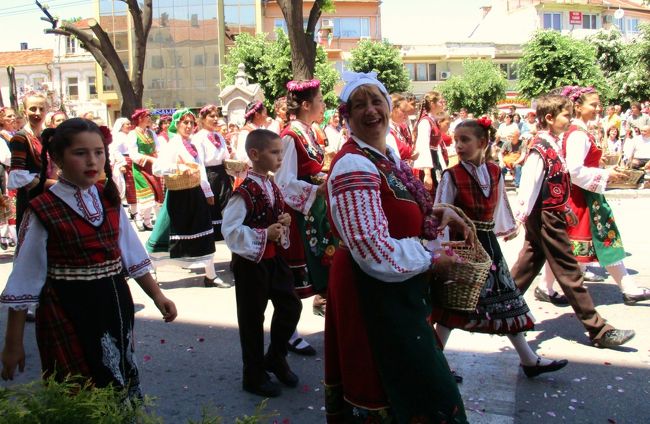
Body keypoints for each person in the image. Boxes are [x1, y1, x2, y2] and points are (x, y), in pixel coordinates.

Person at [325, 71, 468, 423]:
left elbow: (392, 207)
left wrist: (437, 210)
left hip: (394, 291)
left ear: (389, 107)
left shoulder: (383, 156)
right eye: (359, 105)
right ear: (347, 116)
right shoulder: (353, 165)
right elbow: (374, 250)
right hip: (372, 294)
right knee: (397, 388)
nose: (371, 110)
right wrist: (434, 256)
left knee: (419, 386)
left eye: (377, 102)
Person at [0, 118, 177, 395]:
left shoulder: (108, 199)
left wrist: (158, 296)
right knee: (78, 392)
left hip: (113, 306)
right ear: (57, 157)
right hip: (66, 310)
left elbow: (132, 255)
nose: (92, 161)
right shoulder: (42, 209)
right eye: (80, 153)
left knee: (118, 379)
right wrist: (13, 343)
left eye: (98, 152)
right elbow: (25, 279)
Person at [432, 118, 568, 379]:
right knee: (454, 307)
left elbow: (500, 202)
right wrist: (441, 249)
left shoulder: (495, 171)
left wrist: (507, 226)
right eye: (456, 140)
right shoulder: (452, 175)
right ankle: (435, 365)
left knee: (507, 302)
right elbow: (442, 211)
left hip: (490, 247)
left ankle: (529, 359)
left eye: (465, 140)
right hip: (464, 247)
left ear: (482, 143)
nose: (458, 145)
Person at [509, 94, 635, 349]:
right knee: (569, 271)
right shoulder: (541, 147)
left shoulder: (553, 143)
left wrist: (565, 209)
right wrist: (519, 219)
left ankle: (493, 308)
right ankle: (598, 330)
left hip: (551, 215)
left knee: (526, 267)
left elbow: (558, 181)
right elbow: (529, 185)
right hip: (544, 217)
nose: (569, 120)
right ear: (549, 118)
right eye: (565, 115)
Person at [222, 128, 302, 398]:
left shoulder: (271, 185)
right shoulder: (243, 190)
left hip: (273, 260)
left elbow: (272, 216)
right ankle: (253, 375)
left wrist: (282, 223)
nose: (280, 158)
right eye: (275, 152)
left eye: (281, 152)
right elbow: (230, 229)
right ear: (255, 154)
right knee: (252, 319)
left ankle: (275, 357)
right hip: (250, 264)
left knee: (291, 305)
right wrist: (264, 234)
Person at [555, 86, 650, 305]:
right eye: (594, 105)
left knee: (598, 242)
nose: (598, 109)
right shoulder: (577, 134)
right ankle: (564, 291)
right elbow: (575, 170)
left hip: (588, 195)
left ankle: (627, 288)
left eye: (599, 104)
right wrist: (606, 174)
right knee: (582, 244)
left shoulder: (579, 131)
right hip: (582, 198)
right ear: (577, 107)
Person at [147, 109, 227, 288]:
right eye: (185, 123)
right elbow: (157, 168)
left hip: (195, 192)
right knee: (164, 231)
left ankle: (210, 275)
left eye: (191, 123)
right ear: (177, 125)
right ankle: (152, 268)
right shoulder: (173, 145)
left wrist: (208, 192)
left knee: (204, 231)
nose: (189, 126)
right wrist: (177, 168)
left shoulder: (193, 143)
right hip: (178, 195)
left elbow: (200, 169)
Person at [8, 92, 56, 231]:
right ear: (24, 111)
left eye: (41, 109)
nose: (37, 113)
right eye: (32, 108)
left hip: (47, 198)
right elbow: (19, 175)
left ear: (47, 110)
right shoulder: (21, 138)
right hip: (31, 200)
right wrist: (54, 185)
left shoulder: (44, 137)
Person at [194, 104, 233, 238]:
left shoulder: (219, 136)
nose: (216, 119)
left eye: (217, 116)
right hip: (209, 173)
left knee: (226, 201)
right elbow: (200, 163)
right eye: (212, 116)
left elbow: (226, 157)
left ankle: (225, 230)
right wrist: (205, 186)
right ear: (203, 119)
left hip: (222, 173)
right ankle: (213, 233)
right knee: (212, 204)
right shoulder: (198, 138)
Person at [127, 109, 163, 231]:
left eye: (149, 116)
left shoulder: (151, 133)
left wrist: (160, 157)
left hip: (153, 167)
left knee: (155, 192)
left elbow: (158, 148)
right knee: (146, 193)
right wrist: (149, 159)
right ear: (139, 119)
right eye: (146, 116)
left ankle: (147, 221)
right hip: (141, 167)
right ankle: (139, 217)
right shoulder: (133, 134)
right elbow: (133, 153)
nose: (149, 118)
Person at [413, 91, 446, 193]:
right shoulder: (425, 122)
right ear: (432, 104)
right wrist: (427, 174)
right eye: (441, 102)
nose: (443, 104)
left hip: (435, 161)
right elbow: (423, 146)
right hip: (428, 165)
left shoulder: (433, 120)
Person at [110, 117, 138, 217]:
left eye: (130, 124)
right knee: (127, 187)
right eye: (127, 124)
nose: (129, 126)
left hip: (133, 161)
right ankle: (132, 211)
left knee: (133, 187)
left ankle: (133, 210)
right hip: (125, 162)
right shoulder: (118, 136)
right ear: (121, 126)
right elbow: (114, 150)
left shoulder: (130, 135)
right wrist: (122, 163)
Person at [0, 108, 17, 250]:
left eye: (14, 116)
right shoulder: (2, 137)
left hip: (16, 173)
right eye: (9, 116)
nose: (13, 118)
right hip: (8, 176)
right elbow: (6, 158)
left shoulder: (13, 134)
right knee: (11, 209)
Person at [388, 93, 418, 164]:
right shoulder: (387, 131)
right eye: (403, 111)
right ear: (393, 109)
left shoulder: (398, 127)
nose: (406, 115)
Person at [235, 101, 268, 165]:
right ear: (257, 115)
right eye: (265, 113)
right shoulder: (246, 132)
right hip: (251, 172)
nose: (266, 116)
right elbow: (242, 156)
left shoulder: (260, 129)